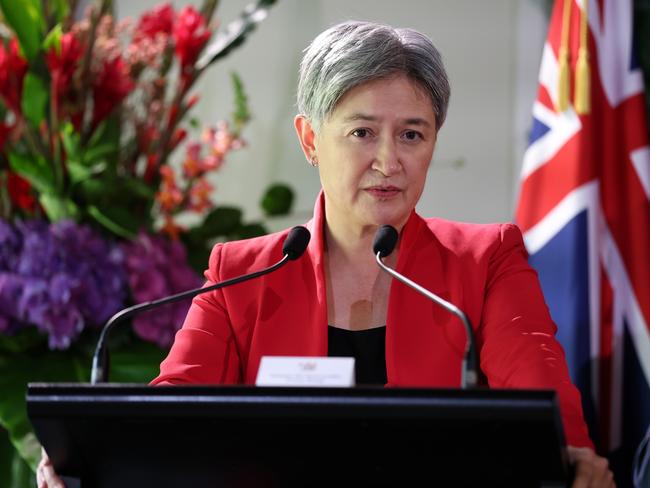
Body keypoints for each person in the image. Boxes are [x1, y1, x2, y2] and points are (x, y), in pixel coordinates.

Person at [38, 20, 615, 487]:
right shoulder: (239, 274)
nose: (389, 161)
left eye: (412, 134)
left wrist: (571, 461)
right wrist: (90, 463)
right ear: (311, 139)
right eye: (362, 133)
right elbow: (167, 425)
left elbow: (547, 413)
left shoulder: (485, 260)